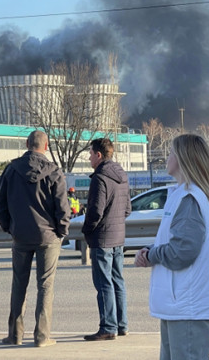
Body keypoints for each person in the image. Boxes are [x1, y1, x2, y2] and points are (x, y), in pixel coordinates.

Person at [134, 133, 209, 359]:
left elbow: (182, 252)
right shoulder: (182, 195)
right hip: (181, 305)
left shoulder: (190, 199)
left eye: (172, 152)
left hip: (187, 306)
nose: (168, 157)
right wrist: (150, 251)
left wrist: (152, 255)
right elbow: (175, 242)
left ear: (184, 158)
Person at [0, 130, 69, 348]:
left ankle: (15, 335)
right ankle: (42, 336)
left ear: (27, 144)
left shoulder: (11, 170)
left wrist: (10, 227)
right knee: (45, 286)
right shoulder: (54, 171)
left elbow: (0, 205)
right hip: (48, 236)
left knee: (19, 284)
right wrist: (61, 231)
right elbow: (62, 208)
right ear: (45, 146)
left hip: (20, 236)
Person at [82, 137, 132, 341]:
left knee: (103, 283)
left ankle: (108, 326)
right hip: (118, 237)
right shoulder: (122, 175)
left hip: (102, 238)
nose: (89, 157)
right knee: (117, 281)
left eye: (91, 153)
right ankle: (121, 325)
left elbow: (95, 211)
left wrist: (87, 230)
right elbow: (127, 209)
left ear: (99, 155)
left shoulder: (99, 177)